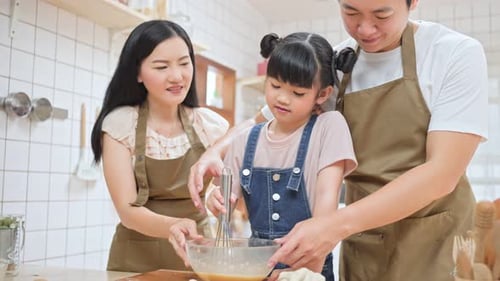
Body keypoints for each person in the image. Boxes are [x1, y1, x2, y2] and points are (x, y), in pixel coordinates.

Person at [187, 0, 489, 280]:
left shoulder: (453, 53)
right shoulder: (336, 62)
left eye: (381, 14)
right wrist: (213, 153)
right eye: (351, 11)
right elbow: (260, 122)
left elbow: (442, 174)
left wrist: (332, 225)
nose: (365, 28)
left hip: (438, 242)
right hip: (364, 242)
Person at [205, 32, 357, 281]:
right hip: (255, 270)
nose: (283, 98)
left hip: (310, 271)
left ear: (322, 94)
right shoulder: (245, 140)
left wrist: (304, 272)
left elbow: (325, 216)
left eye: (298, 93)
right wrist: (217, 200)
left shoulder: (329, 127)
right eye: (275, 86)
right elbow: (226, 205)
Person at [90, 20, 229, 273]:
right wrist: (173, 226)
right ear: (138, 73)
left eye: (184, 63)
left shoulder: (211, 126)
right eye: (162, 66)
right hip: (134, 260)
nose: (177, 76)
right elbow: (127, 210)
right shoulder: (121, 125)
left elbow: (216, 188)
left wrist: (216, 199)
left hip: (198, 254)